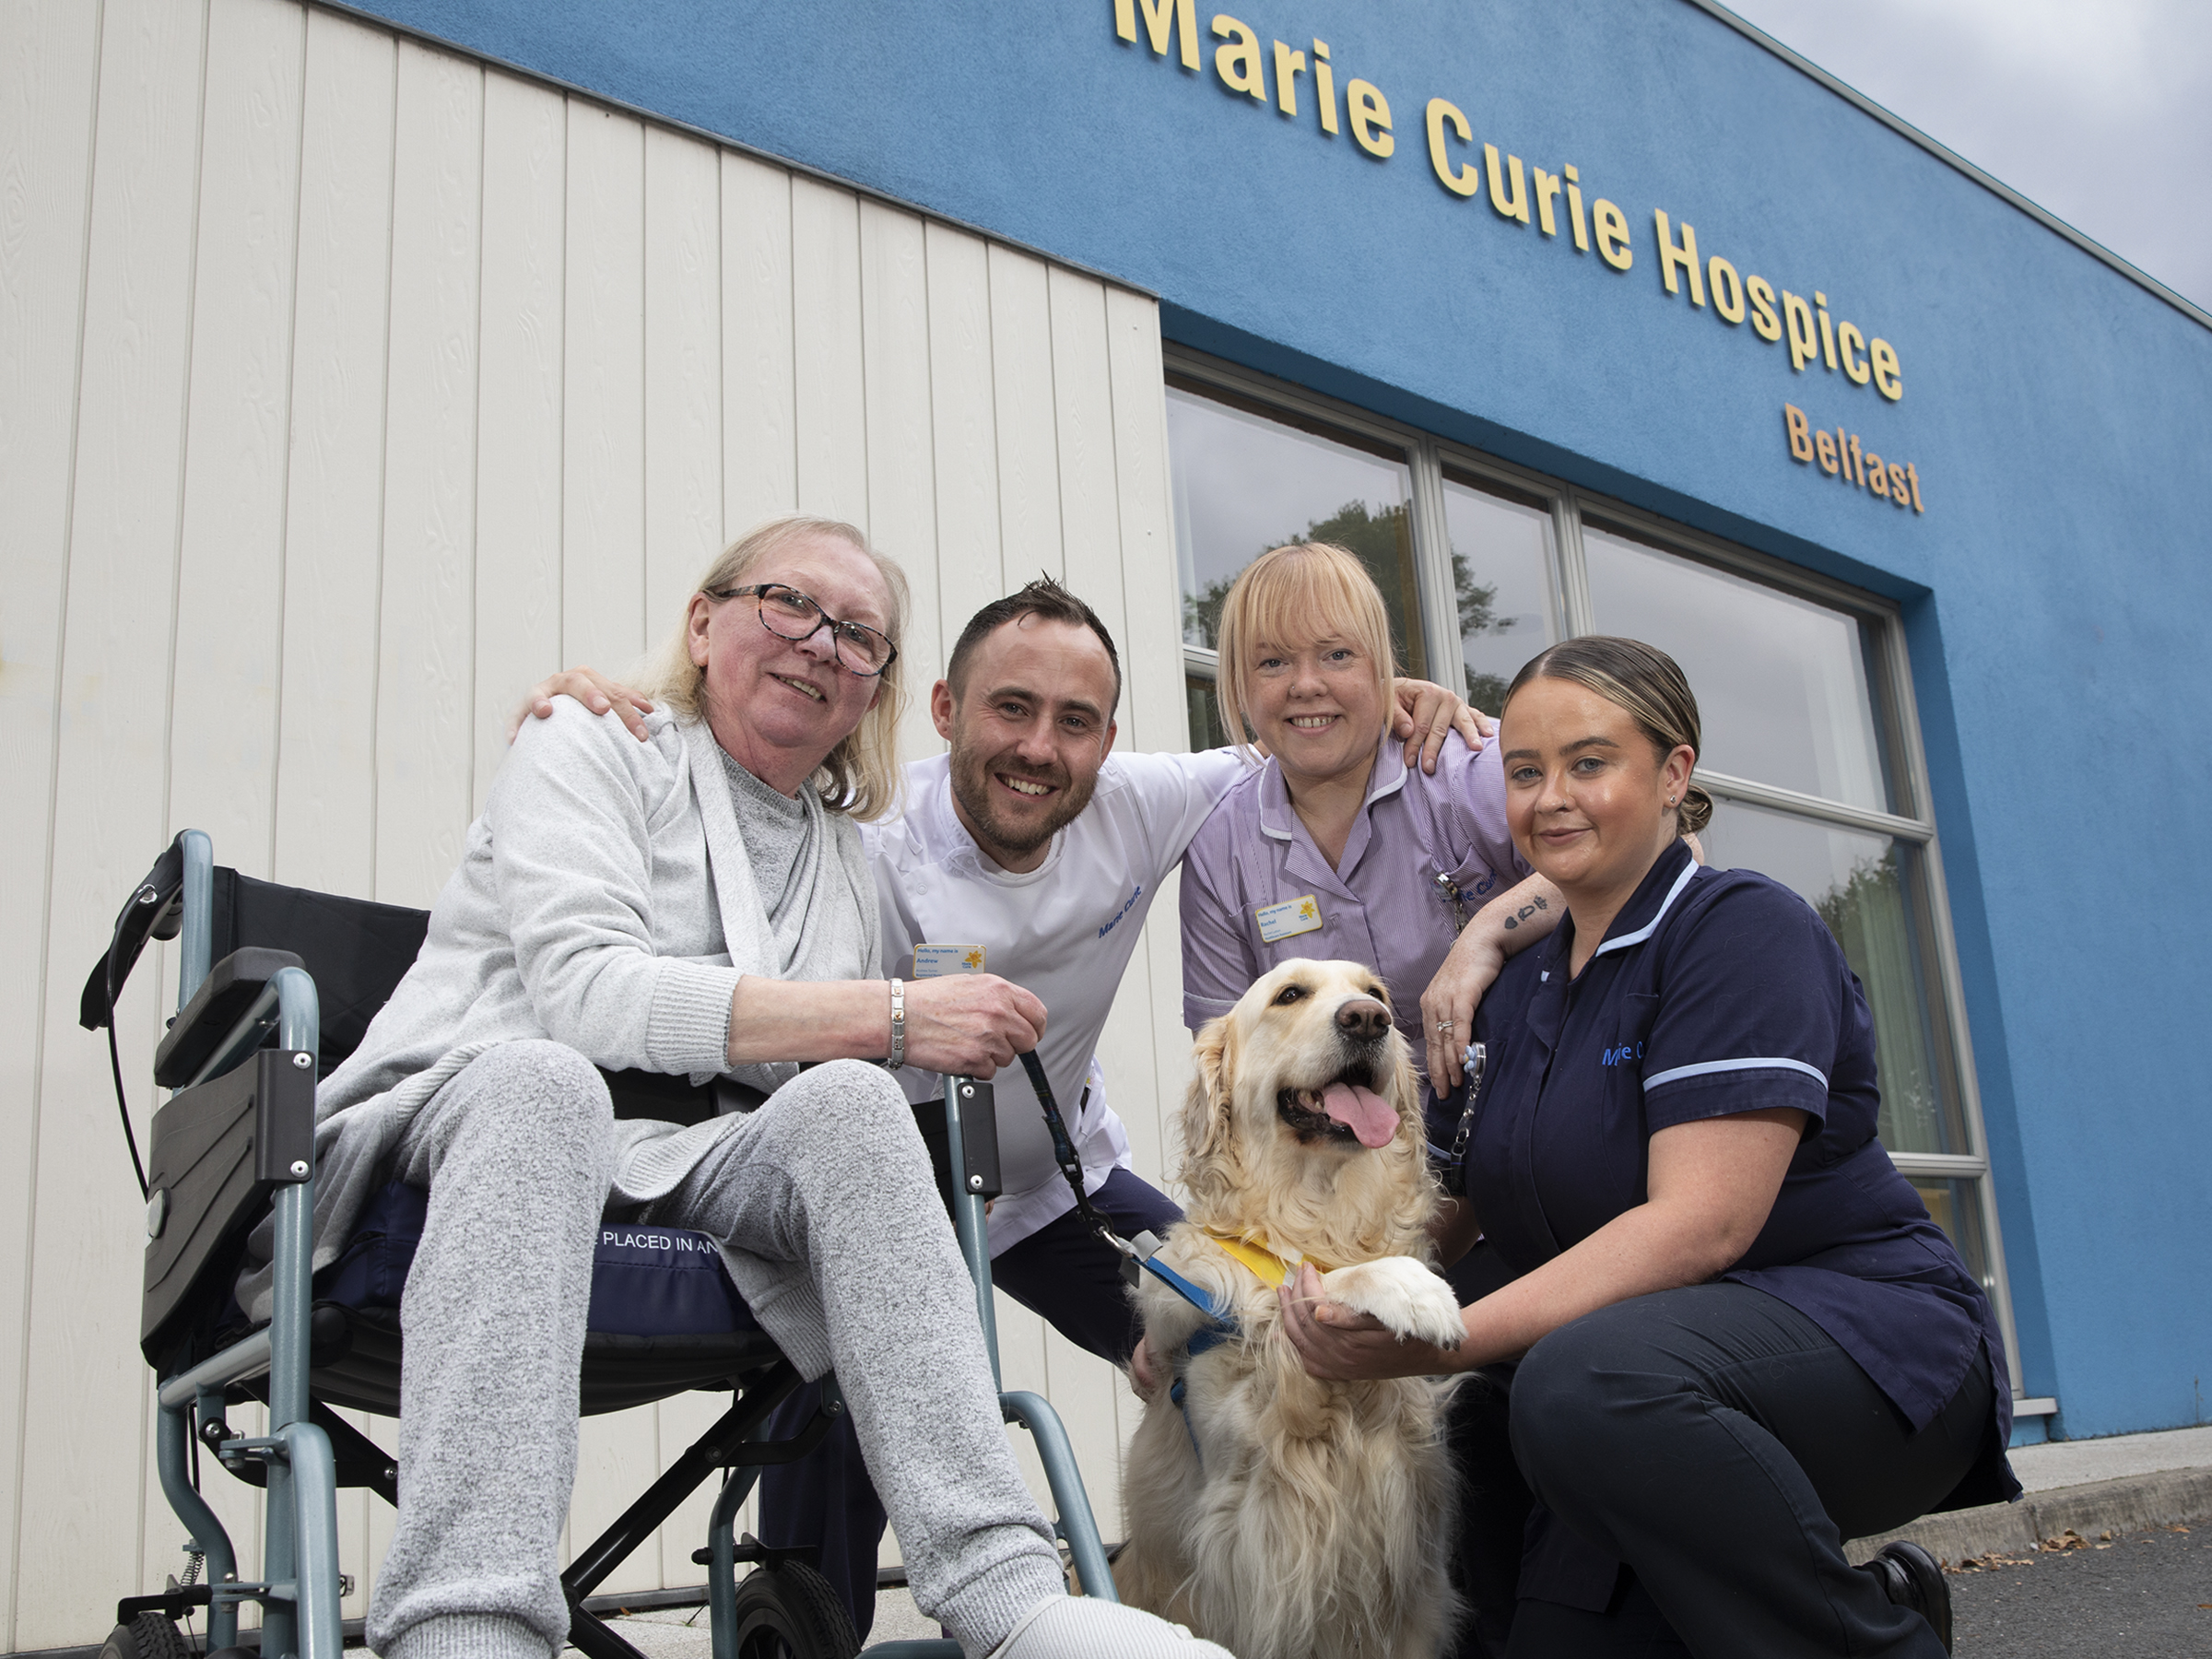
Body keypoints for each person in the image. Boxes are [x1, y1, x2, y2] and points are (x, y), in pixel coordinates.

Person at [264, 516, 1238, 1659]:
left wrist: (1436, 722)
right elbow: (587, 993)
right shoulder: (590, 742)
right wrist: (889, 1017)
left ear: (875, 684)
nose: (821, 643)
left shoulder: (847, 851)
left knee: (857, 1108)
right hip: (473, 1123)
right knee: (547, 1083)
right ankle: (469, 1626)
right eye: (788, 604)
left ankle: (1005, 1596)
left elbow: (829, 1060)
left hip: (693, 1166)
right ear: (702, 621)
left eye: (857, 632)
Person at [521, 573, 1488, 1636]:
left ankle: (1243, 1604)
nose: (1040, 747)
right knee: (851, 1389)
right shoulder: (863, 839)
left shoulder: (1148, 798)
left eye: (1076, 722)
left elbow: (1301, 734)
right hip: (890, 1194)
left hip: (1052, 1182)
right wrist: (643, 719)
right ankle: (805, 1620)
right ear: (944, 711)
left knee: (1224, 1336)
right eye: (1011, 709)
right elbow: (730, 790)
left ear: (1109, 739)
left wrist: (1410, 700)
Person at [1274, 635, 2018, 1659]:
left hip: (1864, 1353)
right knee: (1479, 1433)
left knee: (1573, 1381)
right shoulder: (1511, 992)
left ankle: (1869, 1641)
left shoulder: (1741, 930)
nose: (1552, 798)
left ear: (1674, 774)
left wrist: (1442, 1337)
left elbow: (1698, 1225)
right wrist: (1311, 1297)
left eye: (1590, 764)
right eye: (1526, 773)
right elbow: (1435, 1213)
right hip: (1631, 1388)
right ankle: (1852, 1599)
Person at [1171, 542, 1565, 1289]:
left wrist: (1486, 934)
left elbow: (1658, 847)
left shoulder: (1460, 768)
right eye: (1273, 663)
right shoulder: (1223, 847)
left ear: (1383, 669)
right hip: (1350, 1208)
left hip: (1535, 1155)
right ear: (1238, 686)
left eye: (1338, 654)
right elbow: (1231, 1079)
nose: (1306, 686)